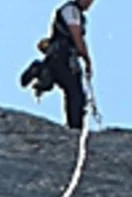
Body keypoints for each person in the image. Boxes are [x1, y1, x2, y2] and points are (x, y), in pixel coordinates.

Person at [35, 0, 95, 129]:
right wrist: (86, 58)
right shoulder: (71, 10)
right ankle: (75, 125)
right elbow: (76, 34)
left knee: (70, 88)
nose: (90, 3)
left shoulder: (74, 12)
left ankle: (43, 71)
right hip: (63, 55)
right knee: (75, 91)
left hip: (60, 55)